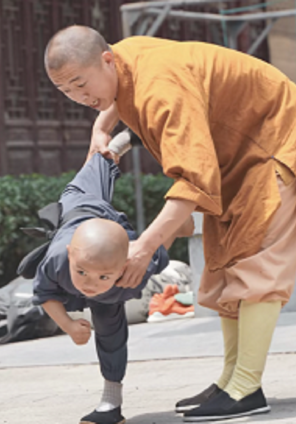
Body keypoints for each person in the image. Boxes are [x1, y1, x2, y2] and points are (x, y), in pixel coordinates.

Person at [44, 26, 296, 422]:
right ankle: (230, 380)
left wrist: (146, 245)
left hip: (275, 141)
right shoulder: (126, 59)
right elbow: (123, 91)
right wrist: (102, 127)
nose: (81, 98)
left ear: (105, 60)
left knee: (256, 263)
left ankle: (246, 387)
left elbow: (194, 180)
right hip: (234, 155)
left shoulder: (160, 87)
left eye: (81, 85)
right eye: (67, 92)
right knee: (224, 262)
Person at [25, 150, 194, 424]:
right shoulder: (57, 259)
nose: (90, 284)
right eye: (82, 273)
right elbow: (44, 293)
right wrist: (67, 324)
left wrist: (172, 227)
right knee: (98, 158)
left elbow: (156, 251)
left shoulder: (130, 271)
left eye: (103, 277)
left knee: (110, 330)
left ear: (121, 269)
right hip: (80, 209)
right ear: (70, 255)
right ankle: (115, 137)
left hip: (117, 247)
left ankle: (111, 402)